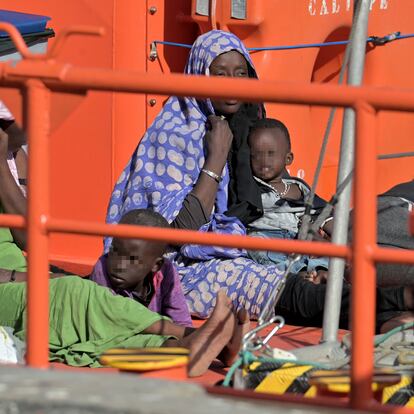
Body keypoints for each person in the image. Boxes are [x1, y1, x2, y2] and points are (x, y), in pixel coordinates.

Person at [105, 29, 413, 333]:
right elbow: (176, 234)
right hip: (173, 268)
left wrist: (325, 224)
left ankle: (395, 303)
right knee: (281, 288)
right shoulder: (174, 134)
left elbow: (273, 188)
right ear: (198, 75)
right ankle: (392, 308)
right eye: (220, 74)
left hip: (238, 247)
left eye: (241, 73)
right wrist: (215, 157)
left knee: (334, 262)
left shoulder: (242, 123)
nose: (233, 85)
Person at [0, 273, 249, 376]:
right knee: (77, 291)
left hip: (27, 275)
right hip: (13, 291)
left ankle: (187, 350)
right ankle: (200, 338)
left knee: (106, 339)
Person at [246, 118, 331, 274]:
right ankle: (301, 272)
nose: (264, 161)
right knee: (256, 245)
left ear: (288, 159)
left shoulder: (299, 187)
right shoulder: (252, 186)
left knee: (324, 248)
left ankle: (319, 270)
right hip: (266, 236)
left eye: (271, 154)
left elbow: (322, 210)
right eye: (256, 155)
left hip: (297, 236)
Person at [90, 209, 192, 327]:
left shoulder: (166, 272)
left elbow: (181, 320)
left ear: (156, 265)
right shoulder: (101, 269)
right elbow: (110, 324)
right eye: (114, 251)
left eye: (132, 260)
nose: (119, 265)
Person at [0, 100, 27, 272]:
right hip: (9, 279)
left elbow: (30, 239)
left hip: (19, 272)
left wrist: (1, 164)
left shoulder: (17, 157)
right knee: (77, 290)